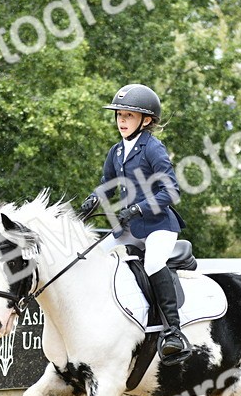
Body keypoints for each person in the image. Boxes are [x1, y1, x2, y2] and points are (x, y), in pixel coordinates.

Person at [78, 83, 191, 366]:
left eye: (128, 115)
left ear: (147, 120)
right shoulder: (117, 151)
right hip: (130, 228)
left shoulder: (153, 148)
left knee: (153, 263)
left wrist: (139, 207)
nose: (122, 121)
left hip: (158, 226)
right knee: (96, 258)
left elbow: (171, 191)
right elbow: (108, 185)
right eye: (119, 115)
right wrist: (93, 199)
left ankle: (173, 332)